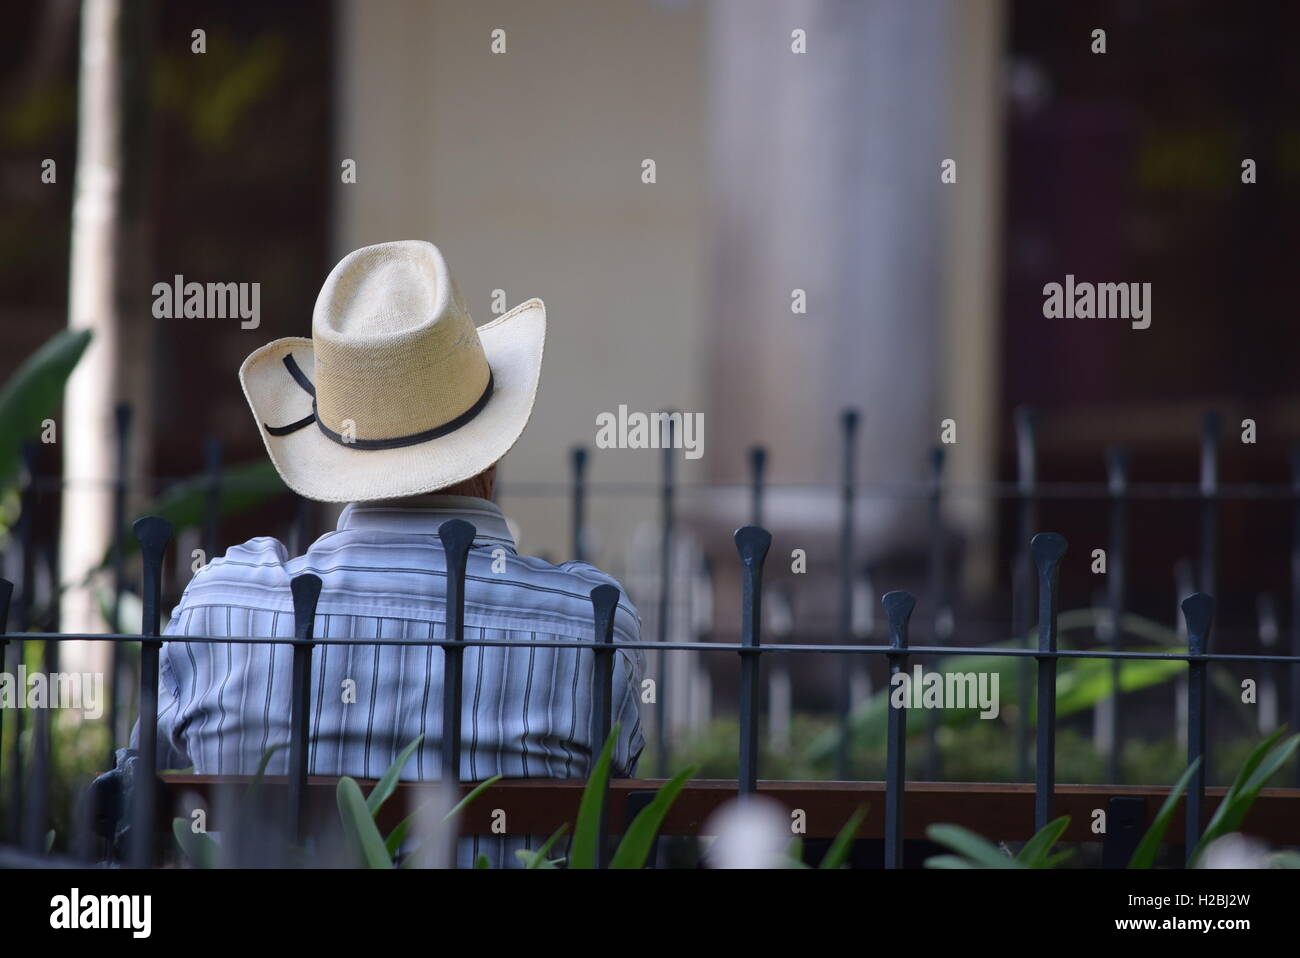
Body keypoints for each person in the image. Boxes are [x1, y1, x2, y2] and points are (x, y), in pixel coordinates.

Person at [113, 240, 644, 867]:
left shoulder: (221, 608)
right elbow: (610, 836)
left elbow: (136, 803)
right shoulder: (592, 624)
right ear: (491, 451)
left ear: (333, 451)